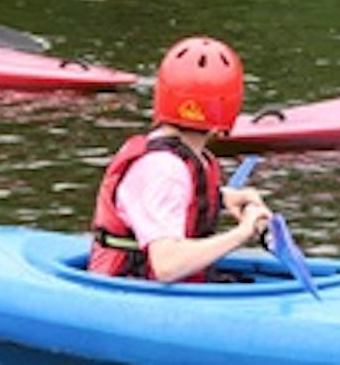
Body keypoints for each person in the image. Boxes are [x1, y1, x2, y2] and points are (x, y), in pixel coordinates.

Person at [89, 37, 271, 283]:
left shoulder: (181, 159)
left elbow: (176, 203)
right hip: (132, 290)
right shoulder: (165, 169)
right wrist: (242, 232)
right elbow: (167, 266)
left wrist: (223, 198)